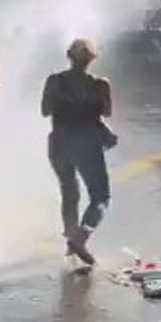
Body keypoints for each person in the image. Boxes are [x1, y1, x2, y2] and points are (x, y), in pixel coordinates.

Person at [41, 39, 116, 266]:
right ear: (92, 59)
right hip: (87, 142)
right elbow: (107, 112)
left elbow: (45, 111)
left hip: (58, 142)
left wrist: (64, 101)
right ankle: (82, 235)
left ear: (68, 55)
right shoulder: (100, 84)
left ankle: (71, 243)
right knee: (100, 196)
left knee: (69, 192)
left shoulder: (55, 81)